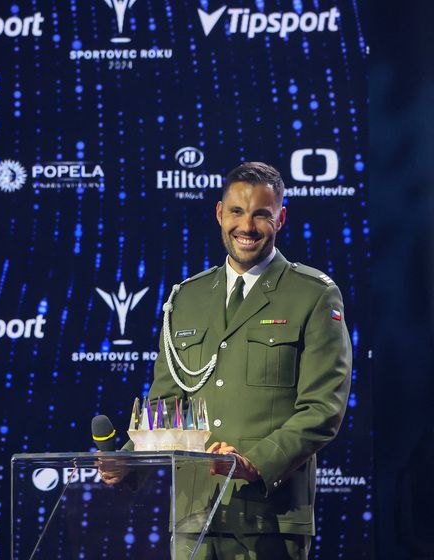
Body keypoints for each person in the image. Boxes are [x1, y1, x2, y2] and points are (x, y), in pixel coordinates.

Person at [112, 162, 352, 559]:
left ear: (281, 218)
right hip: (194, 514)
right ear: (220, 213)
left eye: (261, 214)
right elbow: (167, 404)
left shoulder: (312, 294)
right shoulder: (186, 298)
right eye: (237, 212)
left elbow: (323, 408)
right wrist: (127, 462)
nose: (247, 226)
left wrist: (255, 463)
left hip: (270, 517)